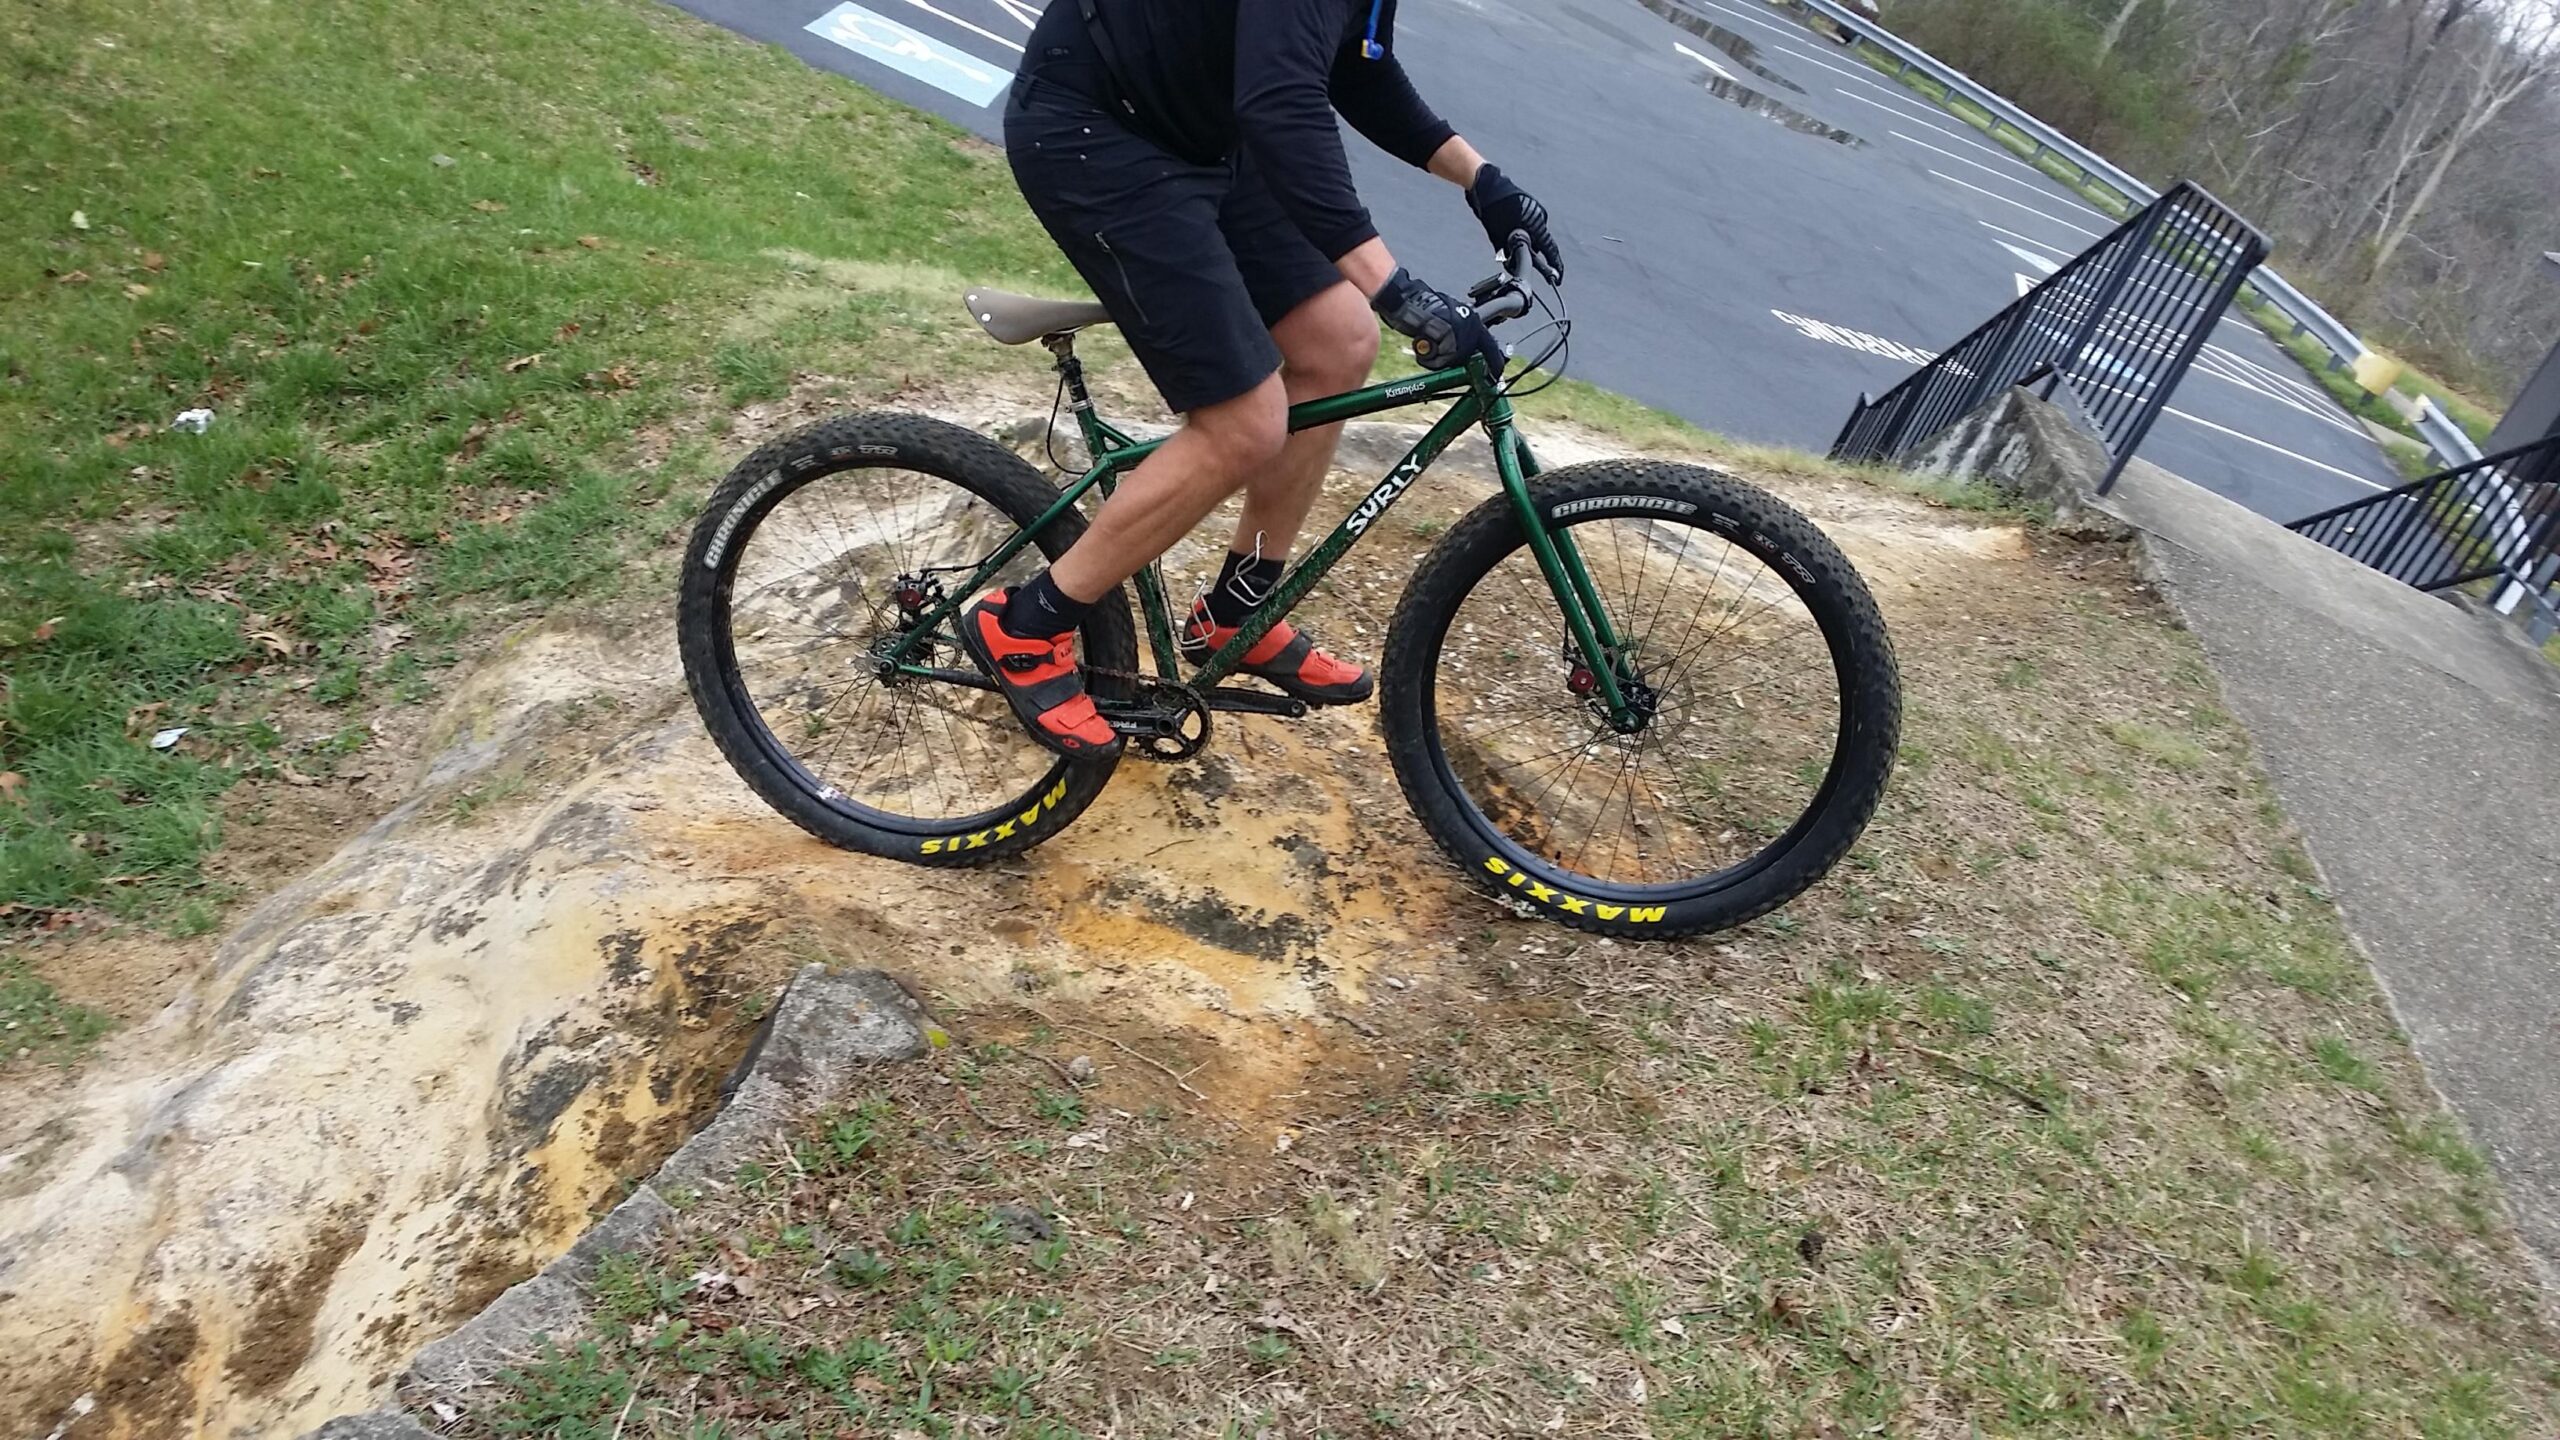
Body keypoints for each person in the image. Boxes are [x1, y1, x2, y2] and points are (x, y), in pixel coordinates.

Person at [956, 0, 1565, 759]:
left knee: (1339, 342)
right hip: (1096, 131)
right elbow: (1280, 104)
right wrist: (1399, 288)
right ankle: (1025, 625)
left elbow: (1360, 68)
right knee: (1244, 422)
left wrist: (1482, 179)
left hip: (1200, 134)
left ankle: (1236, 609)